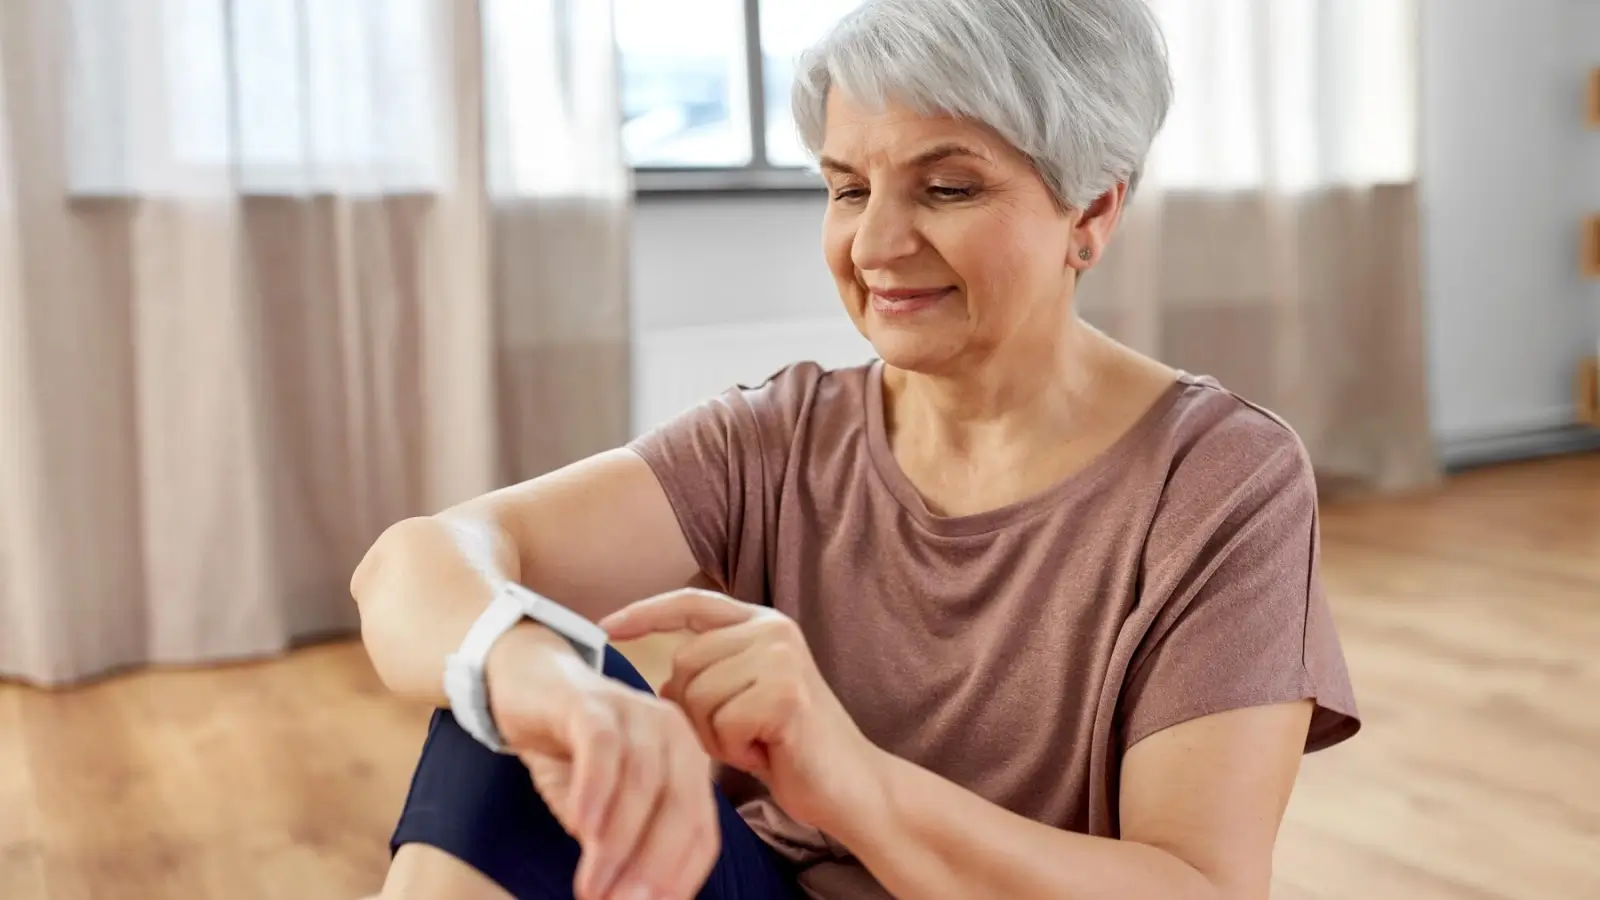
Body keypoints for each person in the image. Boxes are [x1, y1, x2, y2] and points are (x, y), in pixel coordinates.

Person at [350, 0, 1361, 897]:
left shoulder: (1218, 480)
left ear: (1092, 208)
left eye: (947, 189)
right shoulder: (777, 438)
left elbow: (1199, 888)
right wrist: (550, 685)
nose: (874, 247)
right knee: (501, 718)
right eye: (846, 188)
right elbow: (413, 566)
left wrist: (850, 778)